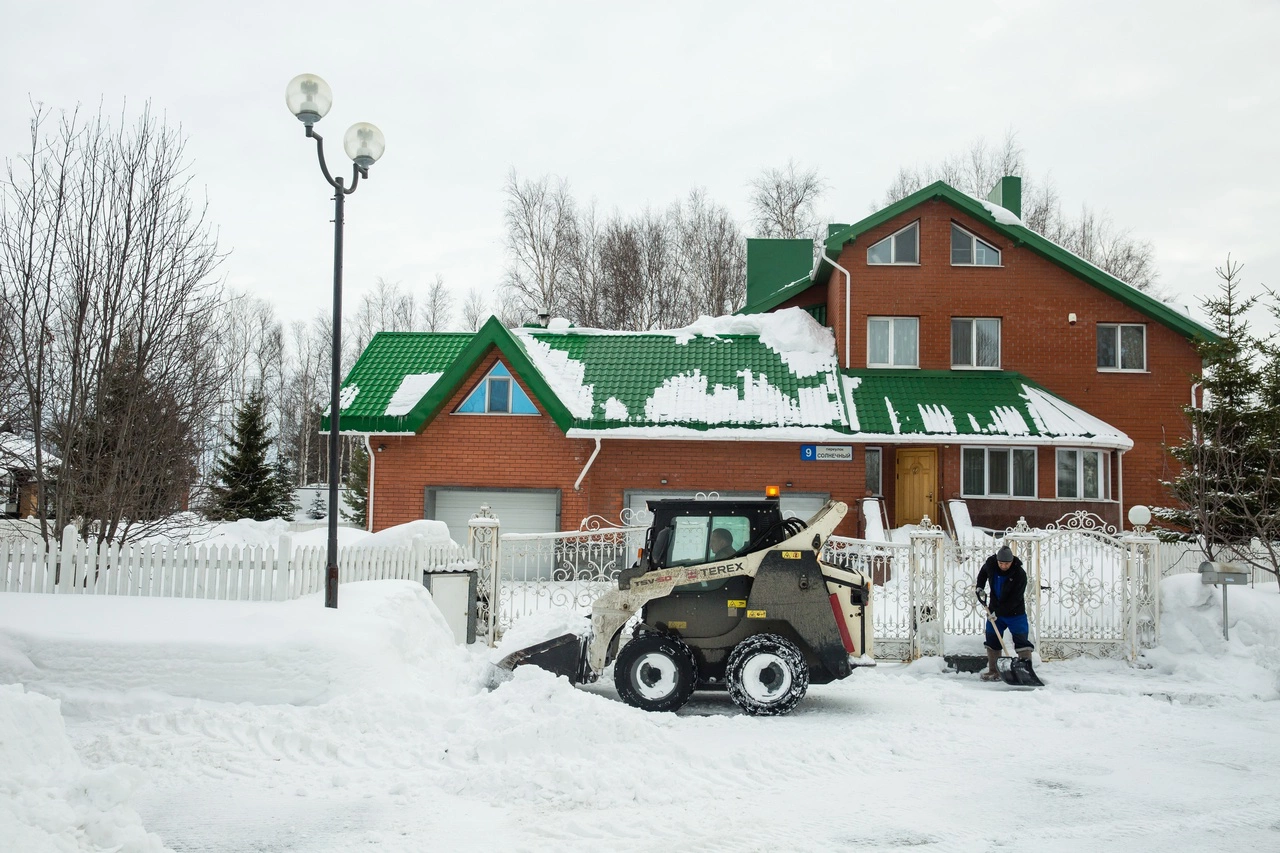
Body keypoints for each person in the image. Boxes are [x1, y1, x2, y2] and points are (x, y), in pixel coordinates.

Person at [975, 544, 1034, 681]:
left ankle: (1025, 672)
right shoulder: (991, 565)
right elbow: (983, 573)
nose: (1003, 566)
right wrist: (979, 587)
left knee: (1021, 641)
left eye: (1006, 564)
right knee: (992, 639)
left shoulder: (1019, 574)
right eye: (1001, 563)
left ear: (1012, 561)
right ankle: (994, 671)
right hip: (994, 609)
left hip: (1015, 613)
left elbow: (1015, 599)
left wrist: (998, 612)